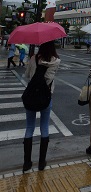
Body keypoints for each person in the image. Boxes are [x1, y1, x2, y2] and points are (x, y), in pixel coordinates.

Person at [22, 41, 61, 172]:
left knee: (29, 128)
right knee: (44, 127)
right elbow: (51, 78)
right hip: (46, 97)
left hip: (32, 96)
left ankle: (27, 163)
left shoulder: (33, 58)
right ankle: (41, 162)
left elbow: (27, 76)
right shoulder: (56, 61)